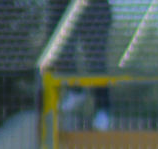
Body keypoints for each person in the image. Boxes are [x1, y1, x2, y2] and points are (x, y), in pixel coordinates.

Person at [48, 0, 113, 130]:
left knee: (95, 59)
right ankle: (75, 90)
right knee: (57, 52)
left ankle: (103, 109)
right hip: (62, 6)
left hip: (94, 7)